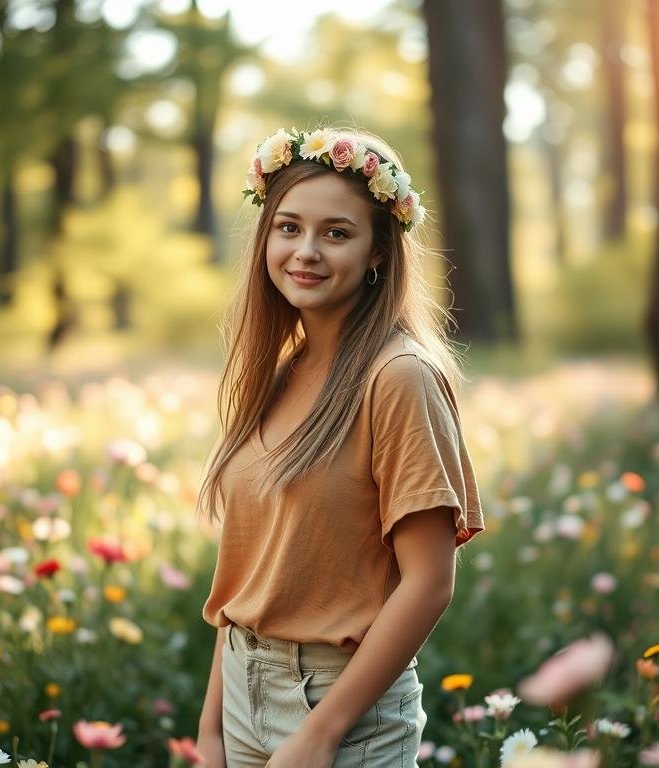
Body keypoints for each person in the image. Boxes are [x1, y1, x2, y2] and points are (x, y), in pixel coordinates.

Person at [194, 126, 485, 767]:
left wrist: (320, 735)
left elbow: (429, 582)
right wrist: (211, 730)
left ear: (378, 250)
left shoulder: (398, 377)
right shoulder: (277, 375)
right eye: (289, 227)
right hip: (241, 691)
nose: (306, 251)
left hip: (341, 708)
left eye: (336, 233)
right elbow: (251, 575)